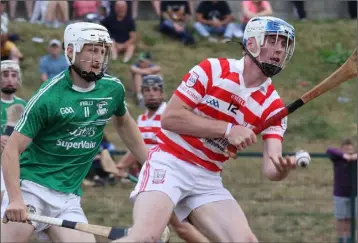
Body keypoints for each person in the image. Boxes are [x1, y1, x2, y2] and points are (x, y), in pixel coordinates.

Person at [112, 16, 298, 243]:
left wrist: (281, 170)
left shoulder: (273, 107)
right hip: (170, 163)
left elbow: (271, 168)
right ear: (252, 43)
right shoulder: (213, 69)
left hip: (208, 177)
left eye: (284, 44)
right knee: (144, 238)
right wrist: (228, 129)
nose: (279, 50)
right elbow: (170, 118)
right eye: (273, 41)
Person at [1, 22, 148, 243]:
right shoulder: (48, 98)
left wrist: (150, 164)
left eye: (101, 51)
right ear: (71, 51)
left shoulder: (112, 89)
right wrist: (15, 199)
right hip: (32, 188)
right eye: (91, 50)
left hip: (69, 197)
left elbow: (124, 123)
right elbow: (11, 150)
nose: (97, 58)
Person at [116, 75, 209, 243]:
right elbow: (141, 146)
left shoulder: (168, 114)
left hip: (176, 176)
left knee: (184, 226)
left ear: (163, 92)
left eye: (155, 89)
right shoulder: (142, 119)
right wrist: (123, 165)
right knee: (184, 226)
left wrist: (121, 165)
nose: (151, 94)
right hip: (157, 180)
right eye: (146, 90)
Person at [0, 60, 27, 204]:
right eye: (5, 75)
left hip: (16, 165)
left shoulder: (24, 105)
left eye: (14, 75)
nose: (10, 79)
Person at [326, 138, 357, 243]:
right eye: (345, 149)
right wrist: (344, 156)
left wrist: (354, 156)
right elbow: (329, 150)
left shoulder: (355, 159)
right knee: (340, 219)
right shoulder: (337, 159)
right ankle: (341, 240)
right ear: (342, 149)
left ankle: (348, 240)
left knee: (349, 219)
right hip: (339, 194)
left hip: (354, 195)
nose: (348, 151)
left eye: (350, 149)